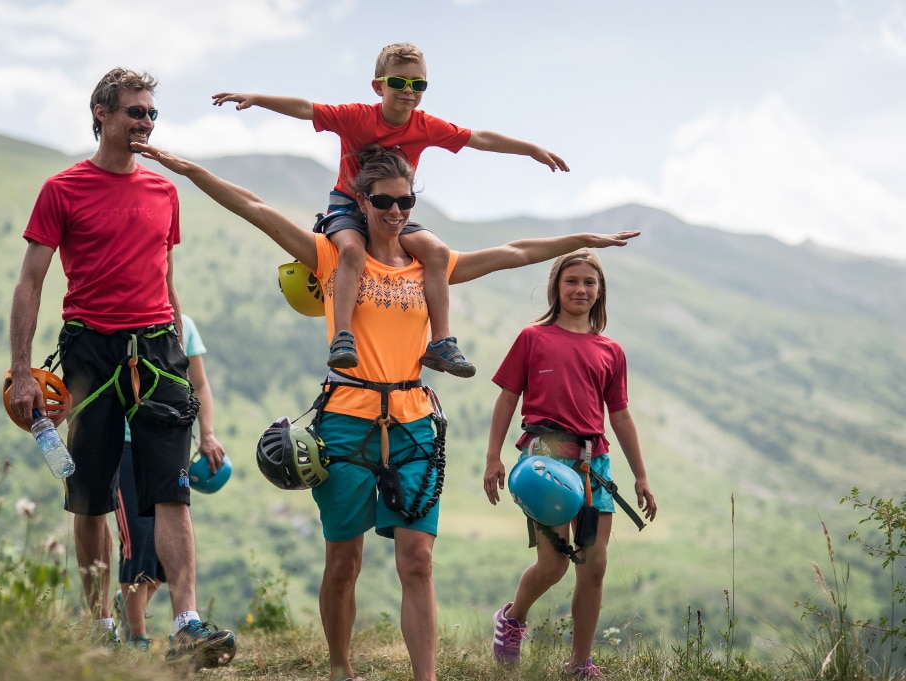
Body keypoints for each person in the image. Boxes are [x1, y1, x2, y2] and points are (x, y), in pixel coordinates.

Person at [131, 139, 636, 681]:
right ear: (361, 202)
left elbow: (513, 252)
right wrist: (184, 166)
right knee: (344, 562)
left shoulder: (429, 265)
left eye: (405, 203)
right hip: (345, 420)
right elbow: (253, 207)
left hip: (416, 422)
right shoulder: (332, 255)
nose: (396, 213)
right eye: (383, 202)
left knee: (417, 560)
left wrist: (581, 239)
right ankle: (340, 668)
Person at [7, 67, 235, 668]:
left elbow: (166, 281)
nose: (146, 123)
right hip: (89, 351)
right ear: (101, 115)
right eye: (135, 111)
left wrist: (183, 361)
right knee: (90, 496)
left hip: (158, 351)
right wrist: (23, 369)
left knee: (173, 491)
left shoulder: (165, 192)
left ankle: (186, 623)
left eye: (152, 114)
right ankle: (101, 625)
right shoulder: (63, 188)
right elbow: (31, 280)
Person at [212, 42, 569, 379]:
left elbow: (480, 139)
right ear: (378, 86)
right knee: (351, 250)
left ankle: (441, 342)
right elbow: (308, 109)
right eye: (398, 82)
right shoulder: (357, 117)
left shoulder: (426, 125)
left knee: (438, 252)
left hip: (394, 209)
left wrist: (531, 150)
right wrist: (257, 98)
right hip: (349, 206)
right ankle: (343, 336)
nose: (408, 90)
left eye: (418, 83)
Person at [482, 249, 658, 678]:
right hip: (545, 464)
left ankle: (580, 664)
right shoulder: (533, 338)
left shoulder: (610, 351)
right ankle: (512, 618)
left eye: (589, 283)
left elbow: (618, 415)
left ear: (600, 292)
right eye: (572, 281)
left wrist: (640, 474)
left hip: (595, 464)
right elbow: (507, 398)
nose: (581, 289)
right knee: (555, 564)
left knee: (593, 567)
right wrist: (493, 458)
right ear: (556, 288)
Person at [113, 312, 227, 652]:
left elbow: (200, 383)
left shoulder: (183, 324)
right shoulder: (120, 317)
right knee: (136, 536)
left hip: (166, 439)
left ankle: (127, 601)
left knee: (165, 549)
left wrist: (207, 434)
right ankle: (138, 636)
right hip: (124, 445)